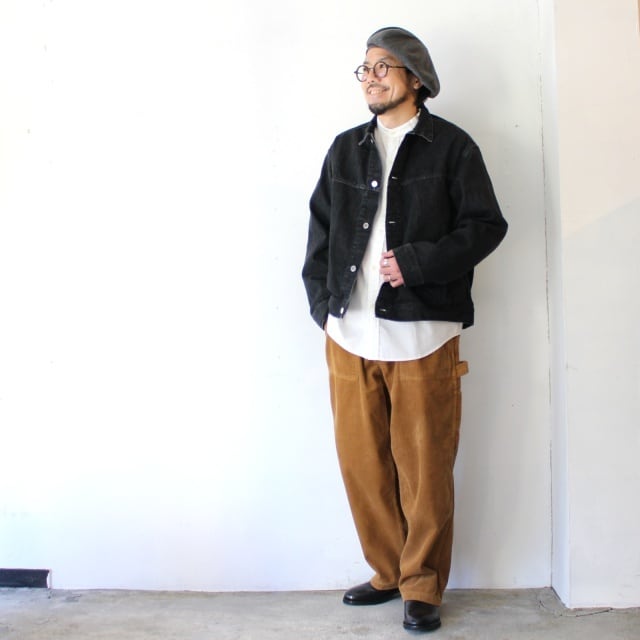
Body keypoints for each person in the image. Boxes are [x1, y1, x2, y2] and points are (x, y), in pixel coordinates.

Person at [302, 26, 507, 633]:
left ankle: (422, 585)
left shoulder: (453, 148)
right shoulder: (345, 149)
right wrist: (324, 307)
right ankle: (387, 572)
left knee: (425, 470)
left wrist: (416, 264)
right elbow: (318, 233)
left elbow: (485, 227)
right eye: (364, 68)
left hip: (424, 336)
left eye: (382, 67)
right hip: (349, 336)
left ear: (415, 78)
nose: (370, 77)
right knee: (363, 467)